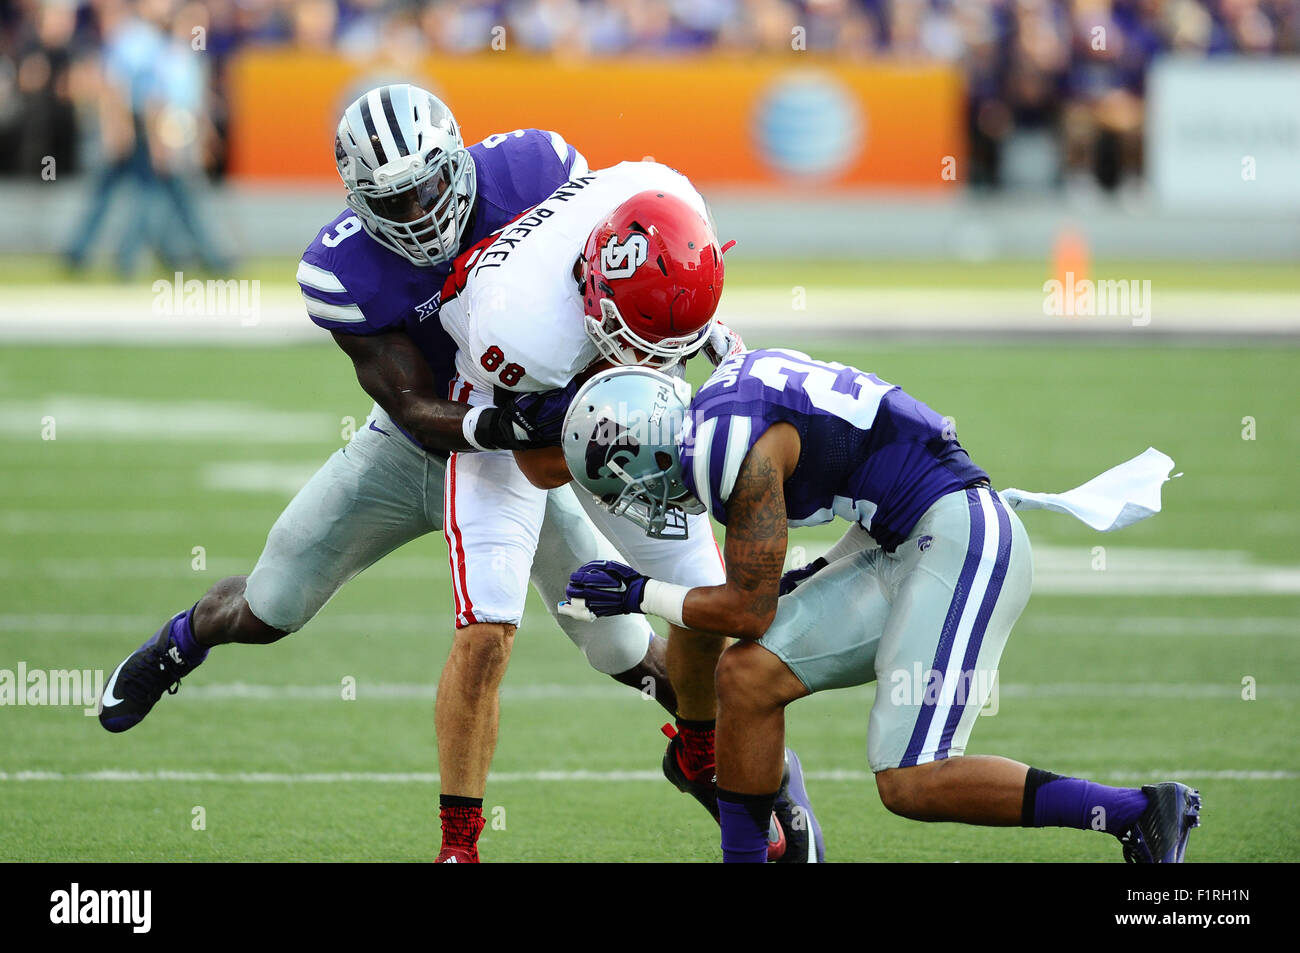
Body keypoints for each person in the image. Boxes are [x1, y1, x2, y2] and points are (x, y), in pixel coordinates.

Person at [95, 85, 678, 863]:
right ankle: (183, 639)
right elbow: (411, 405)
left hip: (515, 465)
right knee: (271, 604)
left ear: (456, 163)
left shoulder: (536, 171)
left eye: (430, 186)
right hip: (418, 449)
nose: (420, 210)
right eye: (395, 200)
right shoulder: (343, 269)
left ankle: (734, 762)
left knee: (621, 644)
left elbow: (611, 276)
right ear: (360, 201)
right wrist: (508, 422)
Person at [560, 348, 1201, 863]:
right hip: (901, 539)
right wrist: (808, 576)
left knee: (909, 779)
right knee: (746, 677)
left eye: (625, 479)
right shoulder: (724, 400)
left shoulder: (730, 449)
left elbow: (744, 613)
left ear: (648, 446)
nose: (637, 498)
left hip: (961, 540)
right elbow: (866, 490)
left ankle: (1137, 813)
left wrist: (641, 592)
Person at [434, 168, 821, 861]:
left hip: (603, 401)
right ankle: (459, 845)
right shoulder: (519, 326)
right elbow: (543, 468)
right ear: (597, 291)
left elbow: (687, 325)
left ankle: (699, 747)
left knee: (709, 599)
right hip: (490, 415)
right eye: (638, 340)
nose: (648, 359)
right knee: (487, 626)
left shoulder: (674, 202)